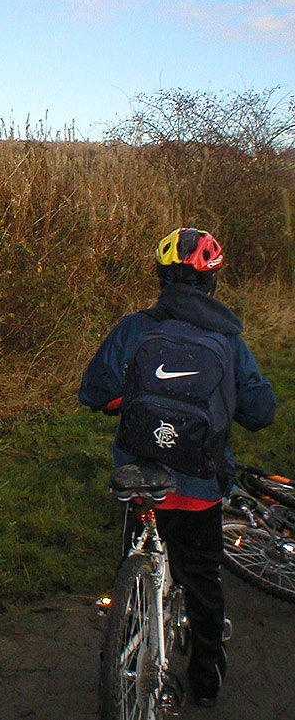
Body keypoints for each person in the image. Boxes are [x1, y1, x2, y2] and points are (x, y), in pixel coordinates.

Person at [78, 227, 276, 708]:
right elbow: (260, 411)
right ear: (213, 284)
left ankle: (131, 633)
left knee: (134, 559)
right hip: (200, 485)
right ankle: (206, 680)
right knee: (203, 580)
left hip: (142, 483)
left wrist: (121, 401)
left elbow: (93, 392)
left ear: (162, 278)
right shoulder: (227, 339)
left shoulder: (134, 328)